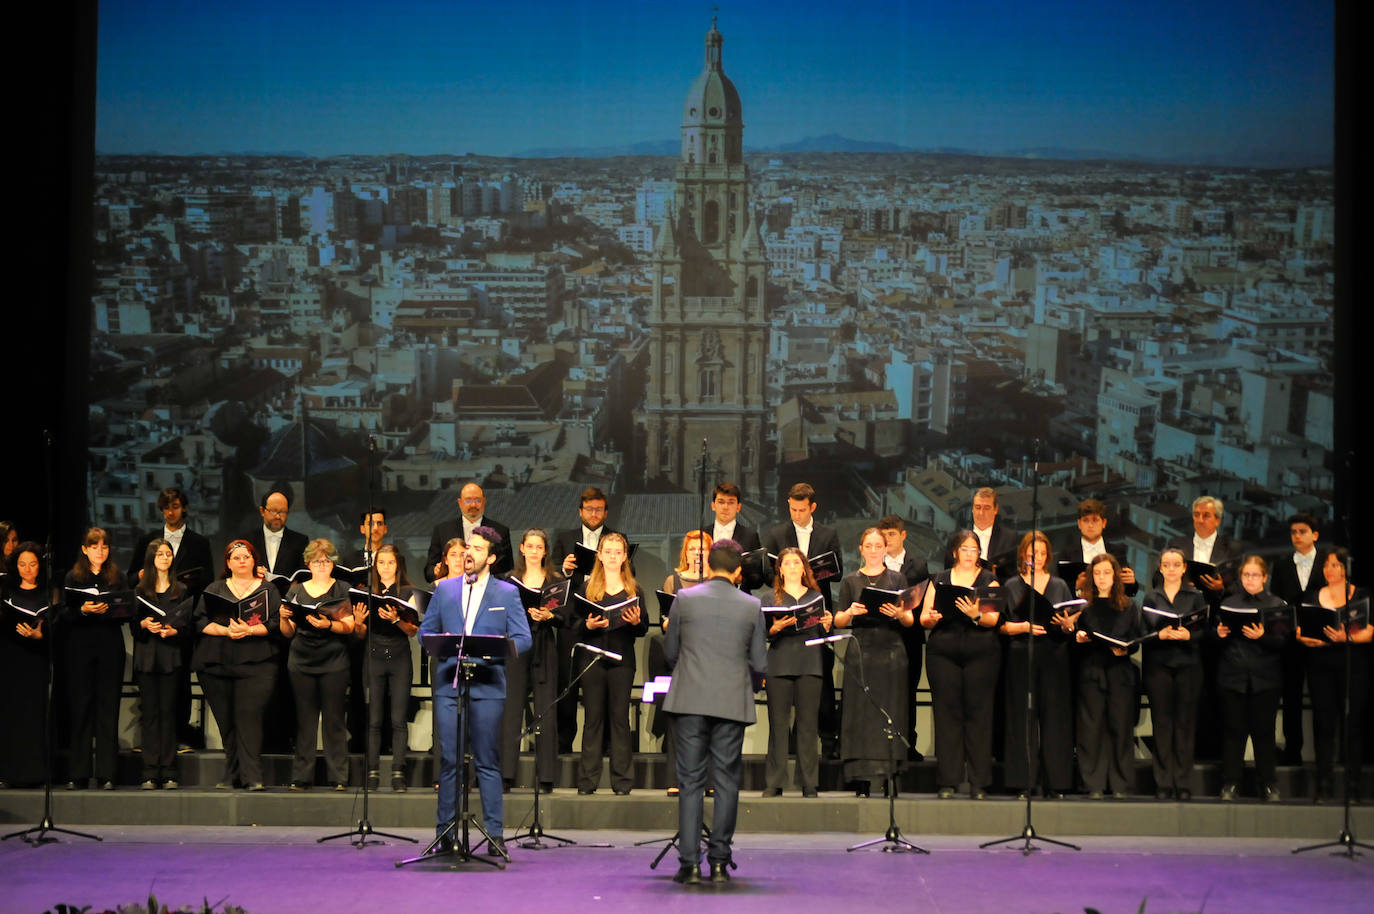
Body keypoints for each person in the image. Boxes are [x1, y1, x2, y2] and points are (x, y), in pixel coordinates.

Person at [420, 527, 530, 858]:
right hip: (450, 684)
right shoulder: (446, 590)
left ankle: (494, 834)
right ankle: (446, 834)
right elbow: (425, 633)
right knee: (450, 761)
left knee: (487, 761)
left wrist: (491, 651)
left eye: (478, 549)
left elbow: (524, 639)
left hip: (487, 686)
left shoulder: (507, 593)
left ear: (491, 558)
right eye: (468, 546)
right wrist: (441, 643)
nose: (469, 553)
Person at [663, 539, 767, 885]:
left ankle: (689, 864)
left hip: (690, 699)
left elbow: (671, 651)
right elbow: (759, 662)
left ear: (708, 567)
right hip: (731, 702)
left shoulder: (685, 599)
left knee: (690, 783)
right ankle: (720, 862)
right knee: (726, 782)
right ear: (738, 572)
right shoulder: (752, 606)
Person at [128, 487, 214, 755]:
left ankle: (178, 735)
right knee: (151, 682)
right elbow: (132, 576)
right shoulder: (149, 539)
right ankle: (153, 741)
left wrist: (187, 587)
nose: (170, 511)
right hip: (152, 618)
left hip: (182, 617)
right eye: (166, 507)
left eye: (175, 506)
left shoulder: (198, 542)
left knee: (181, 680)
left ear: (184, 508)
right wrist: (143, 574)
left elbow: (208, 579)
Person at [919, 529, 1001, 799]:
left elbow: (993, 619)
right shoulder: (939, 580)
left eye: (974, 549)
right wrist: (931, 617)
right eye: (965, 549)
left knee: (980, 714)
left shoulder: (989, 580)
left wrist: (975, 613)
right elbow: (924, 618)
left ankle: (978, 782)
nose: (969, 554)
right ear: (955, 551)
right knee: (947, 714)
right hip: (944, 651)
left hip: (980, 651)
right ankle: (948, 780)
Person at [192, 540, 280, 790]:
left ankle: (253, 776)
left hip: (257, 663)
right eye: (236, 557)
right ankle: (232, 775)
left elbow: (274, 623)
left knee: (248, 719)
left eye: (246, 556)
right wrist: (225, 631)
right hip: (216, 663)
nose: (242, 561)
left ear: (254, 561)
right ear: (228, 563)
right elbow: (200, 621)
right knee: (226, 722)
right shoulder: (214, 588)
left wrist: (249, 630)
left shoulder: (268, 589)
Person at [764, 483, 844, 757]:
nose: (797, 514)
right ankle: (788, 746)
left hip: (817, 609)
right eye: (792, 509)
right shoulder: (777, 534)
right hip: (785, 611)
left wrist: (810, 573)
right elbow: (767, 573)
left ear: (813, 507)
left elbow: (838, 572)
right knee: (787, 682)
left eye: (802, 510)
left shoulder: (828, 533)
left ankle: (828, 740)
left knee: (821, 678)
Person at [833, 527, 914, 796]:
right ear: (861, 549)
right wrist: (851, 612)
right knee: (861, 715)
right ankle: (861, 779)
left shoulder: (897, 578)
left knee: (890, 712)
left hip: (891, 651)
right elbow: (838, 620)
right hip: (861, 651)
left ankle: (890, 777)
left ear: (885, 549)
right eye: (868, 546)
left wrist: (899, 613)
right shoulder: (850, 581)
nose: (874, 550)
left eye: (878, 546)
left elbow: (910, 620)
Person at [998, 530, 1076, 799]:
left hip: (1054, 656)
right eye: (1032, 555)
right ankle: (1024, 782)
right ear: (1023, 555)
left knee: (1055, 720)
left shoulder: (1059, 585)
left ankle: (1057, 783)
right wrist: (1022, 626)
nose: (1037, 559)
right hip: (1022, 654)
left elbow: (1068, 626)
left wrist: (1067, 626)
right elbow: (1002, 627)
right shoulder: (1011, 585)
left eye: (1042, 554)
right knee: (1023, 720)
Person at [574, 532, 647, 795]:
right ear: (600, 556)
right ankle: (587, 782)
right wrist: (588, 624)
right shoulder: (587, 588)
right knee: (593, 719)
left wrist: (637, 622)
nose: (613, 556)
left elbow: (642, 628)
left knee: (619, 719)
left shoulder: (634, 588)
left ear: (625, 556)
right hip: (592, 659)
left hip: (622, 661)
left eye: (618, 552)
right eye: (609, 551)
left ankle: (622, 782)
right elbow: (575, 625)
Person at [280, 538, 355, 791]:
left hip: (333, 659)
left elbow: (350, 625)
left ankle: (339, 777)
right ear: (308, 564)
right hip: (301, 659)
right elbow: (288, 632)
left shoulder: (342, 588)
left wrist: (329, 625)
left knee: (334, 720)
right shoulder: (296, 590)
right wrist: (282, 617)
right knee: (305, 720)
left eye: (326, 561)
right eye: (316, 561)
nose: (322, 565)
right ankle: (302, 776)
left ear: (333, 563)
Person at [1297, 547, 1370, 802]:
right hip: (1320, 664)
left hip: (1352, 663)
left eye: (1336, 565)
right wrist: (1311, 640)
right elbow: (1300, 630)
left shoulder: (1360, 596)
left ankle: (1354, 785)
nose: (1330, 570)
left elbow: (1370, 631)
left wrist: (1345, 637)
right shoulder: (1313, 596)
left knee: (1353, 725)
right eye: (1327, 565)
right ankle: (1323, 784)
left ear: (1346, 569)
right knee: (1323, 724)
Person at [553, 487, 622, 753]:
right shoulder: (565, 537)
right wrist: (564, 569)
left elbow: (630, 572)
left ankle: (602, 745)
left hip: (605, 618)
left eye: (598, 509)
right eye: (589, 509)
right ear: (580, 511)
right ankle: (563, 743)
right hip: (572, 618)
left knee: (602, 686)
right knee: (567, 683)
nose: (594, 514)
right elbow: (552, 576)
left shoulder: (616, 539)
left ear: (606, 512)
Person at [1215, 555, 1286, 802]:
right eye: (1246, 575)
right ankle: (1230, 783)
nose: (1250, 580)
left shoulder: (1276, 603)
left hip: (1265, 678)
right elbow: (1214, 642)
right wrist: (1219, 633)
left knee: (1264, 733)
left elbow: (1282, 643)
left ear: (1265, 578)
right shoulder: (1229, 602)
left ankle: (1268, 784)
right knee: (1234, 732)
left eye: (1255, 575)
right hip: (1233, 676)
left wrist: (1262, 637)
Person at [761, 547, 831, 797]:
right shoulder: (769, 598)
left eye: (796, 563)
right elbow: (760, 634)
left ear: (804, 568)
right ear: (779, 569)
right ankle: (775, 781)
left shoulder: (815, 596)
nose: (792, 567)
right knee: (778, 725)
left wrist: (827, 624)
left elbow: (824, 635)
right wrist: (775, 628)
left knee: (808, 725)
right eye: (787, 563)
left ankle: (808, 781)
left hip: (809, 663)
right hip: (779, 662)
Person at [62, 527, 128, 790]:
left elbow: (127, 612)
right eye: (94, 547)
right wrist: (83, 609)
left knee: (107, 710)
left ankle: (107, 773)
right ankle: (78, 772)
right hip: (80, 648)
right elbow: (64, 614)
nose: (100, 551)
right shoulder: (73, 576)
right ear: (84, 549)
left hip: (110, 647)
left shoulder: (117, 576)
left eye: (104, 546)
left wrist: (111, 608)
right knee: (81, 710)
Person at [1140, 547, 1208, 800]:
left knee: (1185, 725)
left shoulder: (1195, 596)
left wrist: (1189, 634)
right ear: (1160, 568)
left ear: (1183, 568)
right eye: (1166, 564)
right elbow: (1143, 633)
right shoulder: (1151, 597)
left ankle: (1183, 783)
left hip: (1188, 665)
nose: (1170, 569)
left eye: (1175, 564)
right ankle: (1163, 783)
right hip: (1159, 666)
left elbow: (1205, 631)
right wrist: (1160, 634)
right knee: (1162, 725)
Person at [500, 528, 564, 793]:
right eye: (530, 546)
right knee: (512, 710)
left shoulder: (555, 580)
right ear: (522, 549)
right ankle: (506, 774)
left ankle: (546, 776)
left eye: (540, 547)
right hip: (517, 646)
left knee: (545, 711)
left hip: (545, 644)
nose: (535, 551)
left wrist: (549, 616)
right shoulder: (510, 580)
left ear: (545, 551)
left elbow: (565, 617)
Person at [1075, 553, 1143, 799]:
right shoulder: (1084, 605)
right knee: (1091, 729)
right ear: (1091, 577)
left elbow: (1136, 637)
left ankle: (1120, 784)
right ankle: (1093, 784)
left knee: (1120, 727)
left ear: (1115, 576)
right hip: (1092, 670)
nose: (1102, 578)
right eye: (1097, 573)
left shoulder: (1128, 606)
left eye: (1106, 573)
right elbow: (1077, 637)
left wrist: (1127, 647)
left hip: (1119, 672)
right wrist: (1079, 637)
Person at [353, 543, 417, 792]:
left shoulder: (408, 591)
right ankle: (372, 772)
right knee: (374, 719)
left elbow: (413, 631)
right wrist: (358, 623)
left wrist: (397, 619)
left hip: (400, 656)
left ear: (398, 565)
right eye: (381, 563)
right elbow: (360, 634)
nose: (386, 567)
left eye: (390, 563)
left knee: (399, 719)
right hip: (374, 655)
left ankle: (398, 773)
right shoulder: (367, 592)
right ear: (375, 566)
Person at [654, 530, 712, 795]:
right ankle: (676, 780)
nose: (697, 554)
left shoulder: (717, 581)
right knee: (679, 720)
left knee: (710, 720)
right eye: (692, 549)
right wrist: (670, 621)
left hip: (709, 657)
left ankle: (709, 781)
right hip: (680, 657)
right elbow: (664, 622)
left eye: (703, 550)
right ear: (685, 553)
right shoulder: (673, 581)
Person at [132, 539, 190, 789]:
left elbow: (187, 626)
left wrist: (174, 632)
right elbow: (133, 626)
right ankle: (149, 772)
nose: (164, 558)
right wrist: (145, 625)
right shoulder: (140, 590)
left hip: (170, 656)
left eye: (168, 554)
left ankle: (168, 771)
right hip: (147, 655)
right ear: (151, 559)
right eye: (159, 554)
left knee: (168, 713)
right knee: (151, 715)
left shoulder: (181, 590)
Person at [1269, 512, 1324, 765]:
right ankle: (1293, 753)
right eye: (1293, 532)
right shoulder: (1281, 565)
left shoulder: (1327, 562)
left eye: (1302, 531)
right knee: (1291, 698)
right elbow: (1277, 602)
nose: (1297, 536)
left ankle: (1324, 756)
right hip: (1290, 641)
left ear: (1315, 535)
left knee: (1322, 699)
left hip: (1320, 641)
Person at [0, 541, 53, 787]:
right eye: (22, 564)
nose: (28, 569)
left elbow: (58, 627)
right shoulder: (6, 591)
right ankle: (10, 772)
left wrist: (41, 635)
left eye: (32, 564)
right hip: (12, 659)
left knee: (34, 715)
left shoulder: (48, 592)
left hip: (36, 660)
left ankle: (35, 773)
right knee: (12, 716)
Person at [878, 514, 930, 760]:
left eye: (892, 534)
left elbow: (920, 601)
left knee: (908, 690)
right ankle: (880, 744)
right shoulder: (875, 563)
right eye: (884, 535)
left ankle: (909, 743)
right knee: (882, 690)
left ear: (903, 535)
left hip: (909, 635)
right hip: (882, 634)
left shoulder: (918, 565)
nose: (888, 540)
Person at [424, 483, 512, 582]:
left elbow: (507, 571)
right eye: (468, 500)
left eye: (477, 500)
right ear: (460, 502)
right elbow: (429, 572)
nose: (473, 505)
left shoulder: (500, 531)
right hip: (451, 590)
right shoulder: (442, 530)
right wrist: (436, 571)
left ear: (484, 502)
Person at [1054, 499, 1137, 594]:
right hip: (1078, 607)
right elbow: (1059, 591)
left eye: (1095, 520)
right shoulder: (1066, 554)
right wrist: (1076, 585)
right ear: (1079, 524)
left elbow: (1128, 592)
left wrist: (1132, 583)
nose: (1090, 525)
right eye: (1086, 520)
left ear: (1104, 523)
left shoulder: (1118, 552)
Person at [708, 482, 764, 590]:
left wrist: (741, 579)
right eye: (721, 502)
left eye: (731, 503)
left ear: (738, 507)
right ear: (713, 506)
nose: (725, 507)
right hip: (706, 596)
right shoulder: (702, 535)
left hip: (739, 597)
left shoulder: (750, 536)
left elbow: (758, 579)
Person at [970, 487, 1018, 581]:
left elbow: (1011, 577)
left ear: (996, 509)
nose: (981, 513)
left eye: (986, 508)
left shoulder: (1009, 538)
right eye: (977, 507)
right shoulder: (958, 538)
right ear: (972, 509)